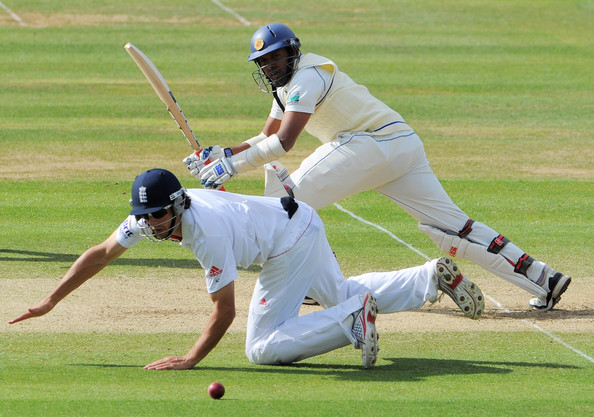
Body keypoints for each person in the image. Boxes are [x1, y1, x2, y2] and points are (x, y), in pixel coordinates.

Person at [185, 23, 571, 312]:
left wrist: (233, 167)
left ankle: (316, 286)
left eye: (274, 57)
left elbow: (284, 142)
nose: (269, 66)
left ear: (292, 52)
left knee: (286, 203)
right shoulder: (286, 87)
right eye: (263, 61)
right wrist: (223, 154)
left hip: (369, 143)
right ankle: (543, 278)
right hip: (400, 145)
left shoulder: (307, 77)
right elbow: (266, 135)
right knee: (452, 229)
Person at [10, 168, 483, 370]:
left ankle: (351, 321)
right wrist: (51, 300)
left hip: (286, 244)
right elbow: (100, 253)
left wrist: (191, 358)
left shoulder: (206, 233)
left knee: (260, 347)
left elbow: (225, 311)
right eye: (144, 216)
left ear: (178, 205)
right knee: (339, 292)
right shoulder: (149, 219)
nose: (150, 224)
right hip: (301, 221)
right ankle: (427, 278)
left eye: (157, 215)